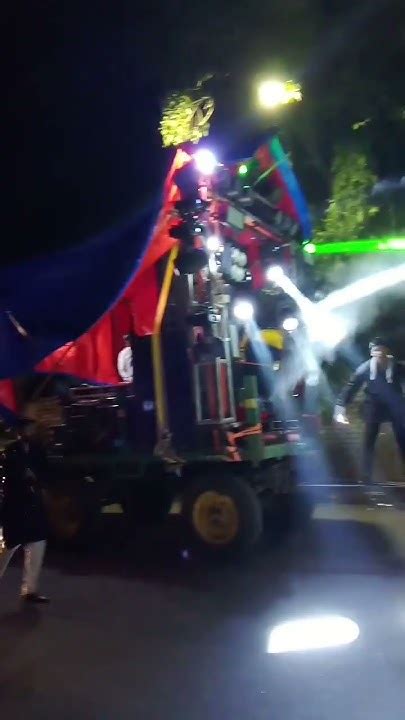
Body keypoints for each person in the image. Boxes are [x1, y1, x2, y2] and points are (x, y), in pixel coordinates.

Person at [334, 338, 405, 483]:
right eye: (375, 351)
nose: (379, 354)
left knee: (402, 438)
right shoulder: (365, 369)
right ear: (371, 353)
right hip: (374, 405)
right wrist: (340, 409)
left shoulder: (397, 367)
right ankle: (366, 475)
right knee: (369, 440)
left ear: (387, 351)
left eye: (381, 350)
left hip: (395, 404)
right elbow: (350, 389)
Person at [0, 420, 49, 602]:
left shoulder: (38, 450)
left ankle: (30, 589)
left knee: (37, 544)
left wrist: (36, 478)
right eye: (27, 429)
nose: (29, 432)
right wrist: (23, 475)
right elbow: (8, 475)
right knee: (8, 546)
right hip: (16, 505)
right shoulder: (11, 451)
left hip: (33, 504)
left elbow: (46, 471)